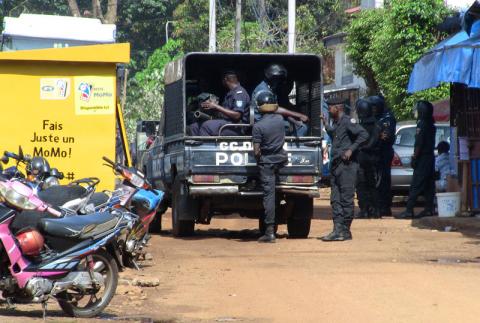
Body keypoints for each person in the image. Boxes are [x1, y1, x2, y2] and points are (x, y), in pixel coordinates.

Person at [319, 98, 368, 241]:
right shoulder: (337, 123)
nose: (328, 110)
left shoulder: (348, 121)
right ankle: (337, 229)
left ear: (338, 107)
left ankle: (345, 230)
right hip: (336, 167)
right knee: (335, 200)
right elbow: (334, 134)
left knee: (346, 199)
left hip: (347, 167)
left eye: (330, 108)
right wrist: (325, 123)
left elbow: (364, 135)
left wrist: (351, 150)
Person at [252, 91, 288, 243]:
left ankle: (269, 232)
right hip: (280, 161)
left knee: (269, 196)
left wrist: (259, 157)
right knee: (275, 195)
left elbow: (256, 151)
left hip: (266, 163)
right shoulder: (280, 120)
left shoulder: (258, 126)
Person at [396, 101, 436, 219]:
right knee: (429, 185)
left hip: (423, 158)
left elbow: (419, 143)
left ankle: (409, 210)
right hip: (430, 158)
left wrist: (414, 157)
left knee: (416, 185)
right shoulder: (431, 124)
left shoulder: (422, 124)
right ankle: (429, 209)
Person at [251, 63, 309, 136]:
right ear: (270, 77)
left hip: (269, 121)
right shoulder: (264, 91)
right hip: (264, 124)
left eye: (279, 78)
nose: (278, 81)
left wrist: (295, 121)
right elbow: (274, 109)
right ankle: (294, 146)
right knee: (302, 128)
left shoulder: (270, 89)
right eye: (276, 78)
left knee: (298, 125)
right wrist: (299, 115)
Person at [190, 71, 250, 136]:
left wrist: (216, 106)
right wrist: (210, 106)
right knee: (194, 127)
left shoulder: (239, 93)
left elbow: (237, 115)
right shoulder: (230, 93)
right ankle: (197, 145)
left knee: (206, 126)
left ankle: (207, 146)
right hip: (226, 123)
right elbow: (225, 112)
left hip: (236, 126)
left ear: (225, 79)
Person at [368, 95, 396, 217]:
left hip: (384, 152)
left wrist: (376, 136)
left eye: (375, 107)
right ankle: (376, 206)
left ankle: (384, 207)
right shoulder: (375, 117)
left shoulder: (387, 117)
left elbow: (385, 136)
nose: (373, 109)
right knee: (375, 181)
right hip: (375, 152)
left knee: (383, 181)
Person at [355, 99, 382, 219]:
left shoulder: (359, 126)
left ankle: (364, 209)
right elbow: (375, 141)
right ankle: (375, 210)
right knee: (373, 185)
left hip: (362, 158)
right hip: (374, 158)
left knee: (361, 185)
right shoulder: (377, 124)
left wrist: (362, 148)